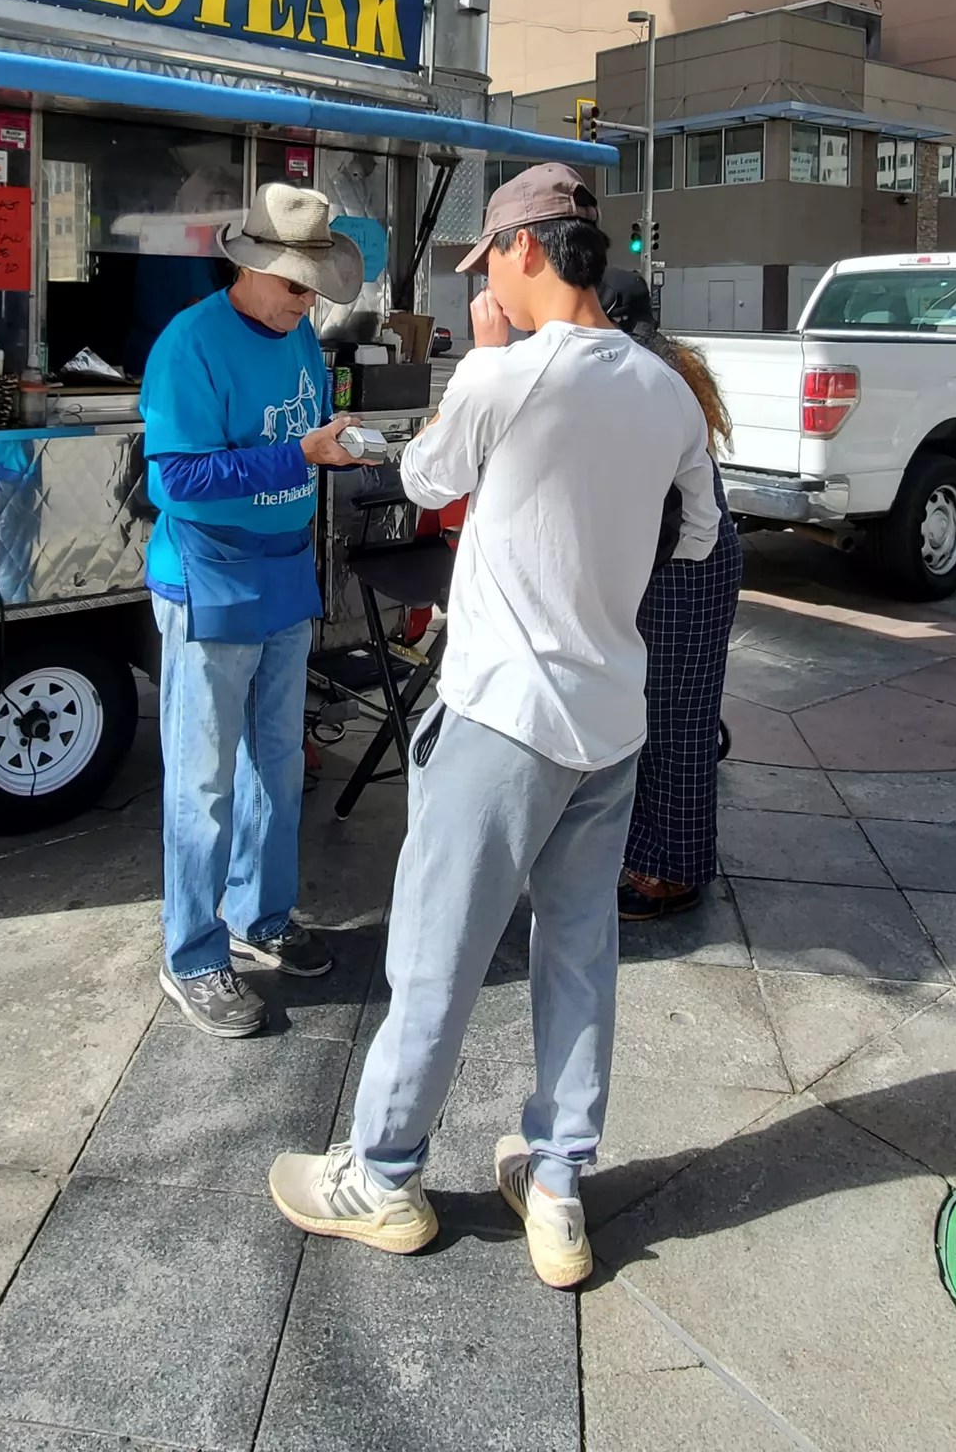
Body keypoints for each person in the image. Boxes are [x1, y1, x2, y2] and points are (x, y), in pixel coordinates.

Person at [267, 163, 716, 1289]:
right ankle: (558, 1184)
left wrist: (486, 365)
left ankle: (382, 1174)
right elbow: (702, 536)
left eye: (488, 265)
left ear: (523, 249)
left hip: (504, 717)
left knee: (435, 954)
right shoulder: (664, 389)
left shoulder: (507, 375)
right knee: (579, 950)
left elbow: (423, 474)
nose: (489, 287)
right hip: (613, 719)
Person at [140, 182, 367, 1039]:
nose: (306, 302)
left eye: (313, 288)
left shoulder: (301, 341)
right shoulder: (188, 344)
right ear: (251, 265)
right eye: (295, 285)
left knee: (277, 767)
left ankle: (261, 917)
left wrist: (327, 454)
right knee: (202, 782)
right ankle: (192, 954)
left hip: (282, 572)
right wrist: (295, 455)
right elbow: (175, 480)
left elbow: (296, 444)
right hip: (207, 576)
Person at [597, 268, 744, 923]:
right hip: (683, 559)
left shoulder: (646, 377)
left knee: (676, 723)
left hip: (687, 564)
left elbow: (677, 510)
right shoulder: (655, 363)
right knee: (667, 715)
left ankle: (673, 872)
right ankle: (649, 852)